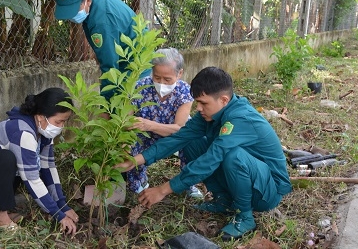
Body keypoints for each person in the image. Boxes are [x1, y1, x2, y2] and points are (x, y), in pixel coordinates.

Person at [116, 67, 292, 241]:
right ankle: (223, 201)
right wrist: (137, 160)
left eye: (203, 103)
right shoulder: (211, 113)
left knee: (233, 156)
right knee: (191, 143)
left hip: (267, 192)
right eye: (197, 102)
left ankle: (245, 216)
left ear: (223, 99)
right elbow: (179, 138)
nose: (198, 108)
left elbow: (210, 160)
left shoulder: (240, 118)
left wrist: (163, 190)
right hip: (250, 178)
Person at [0, 87, 79, 234]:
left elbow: (48, 167)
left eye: (64, 122)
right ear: (41, 116)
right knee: (7, 158)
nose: (61, 127)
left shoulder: (43, 134)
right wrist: (58, 214)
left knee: (22, 162)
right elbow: (32, 179)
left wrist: (62, 205)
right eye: (59, 121)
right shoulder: (22, 133)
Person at [53, 0, 149, 100]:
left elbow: (110, 67)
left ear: (87, 0)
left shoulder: (101, 24)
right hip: (131, 56)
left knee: (122, 109)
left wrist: (106, 105)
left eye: (74, 10)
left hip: (135, 63)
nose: (71, 16)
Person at [127, 47, 201, 198]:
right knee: (132, 146)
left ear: (179, 73)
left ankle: (188, 183)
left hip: (175, 134)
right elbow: (127, 119)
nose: (161, 83)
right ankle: (139, 184)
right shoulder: (140, 87)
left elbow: (179, 128)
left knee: (192, 143)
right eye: (157, 77)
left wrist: (149, 125)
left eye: (167, 79)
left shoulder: (185, 91)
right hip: (145, 133)